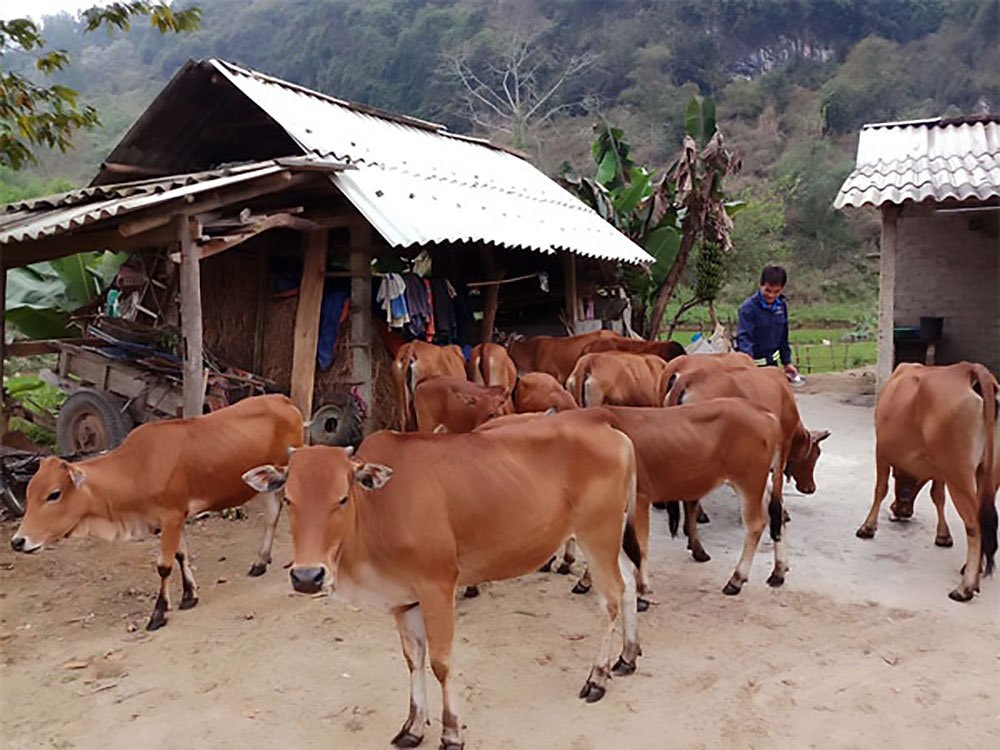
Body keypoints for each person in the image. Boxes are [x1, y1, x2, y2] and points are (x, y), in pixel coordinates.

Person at [736, 265, 800, 382]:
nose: (771, 295)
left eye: (776, 291)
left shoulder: (781, 306)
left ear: (782, 289)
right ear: (761, 285)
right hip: (753, 365)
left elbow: (783, 337)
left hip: (772, 365)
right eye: (768, 290)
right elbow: (744, 338)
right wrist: (748, 365)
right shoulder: (748, 308)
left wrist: (787, 363)